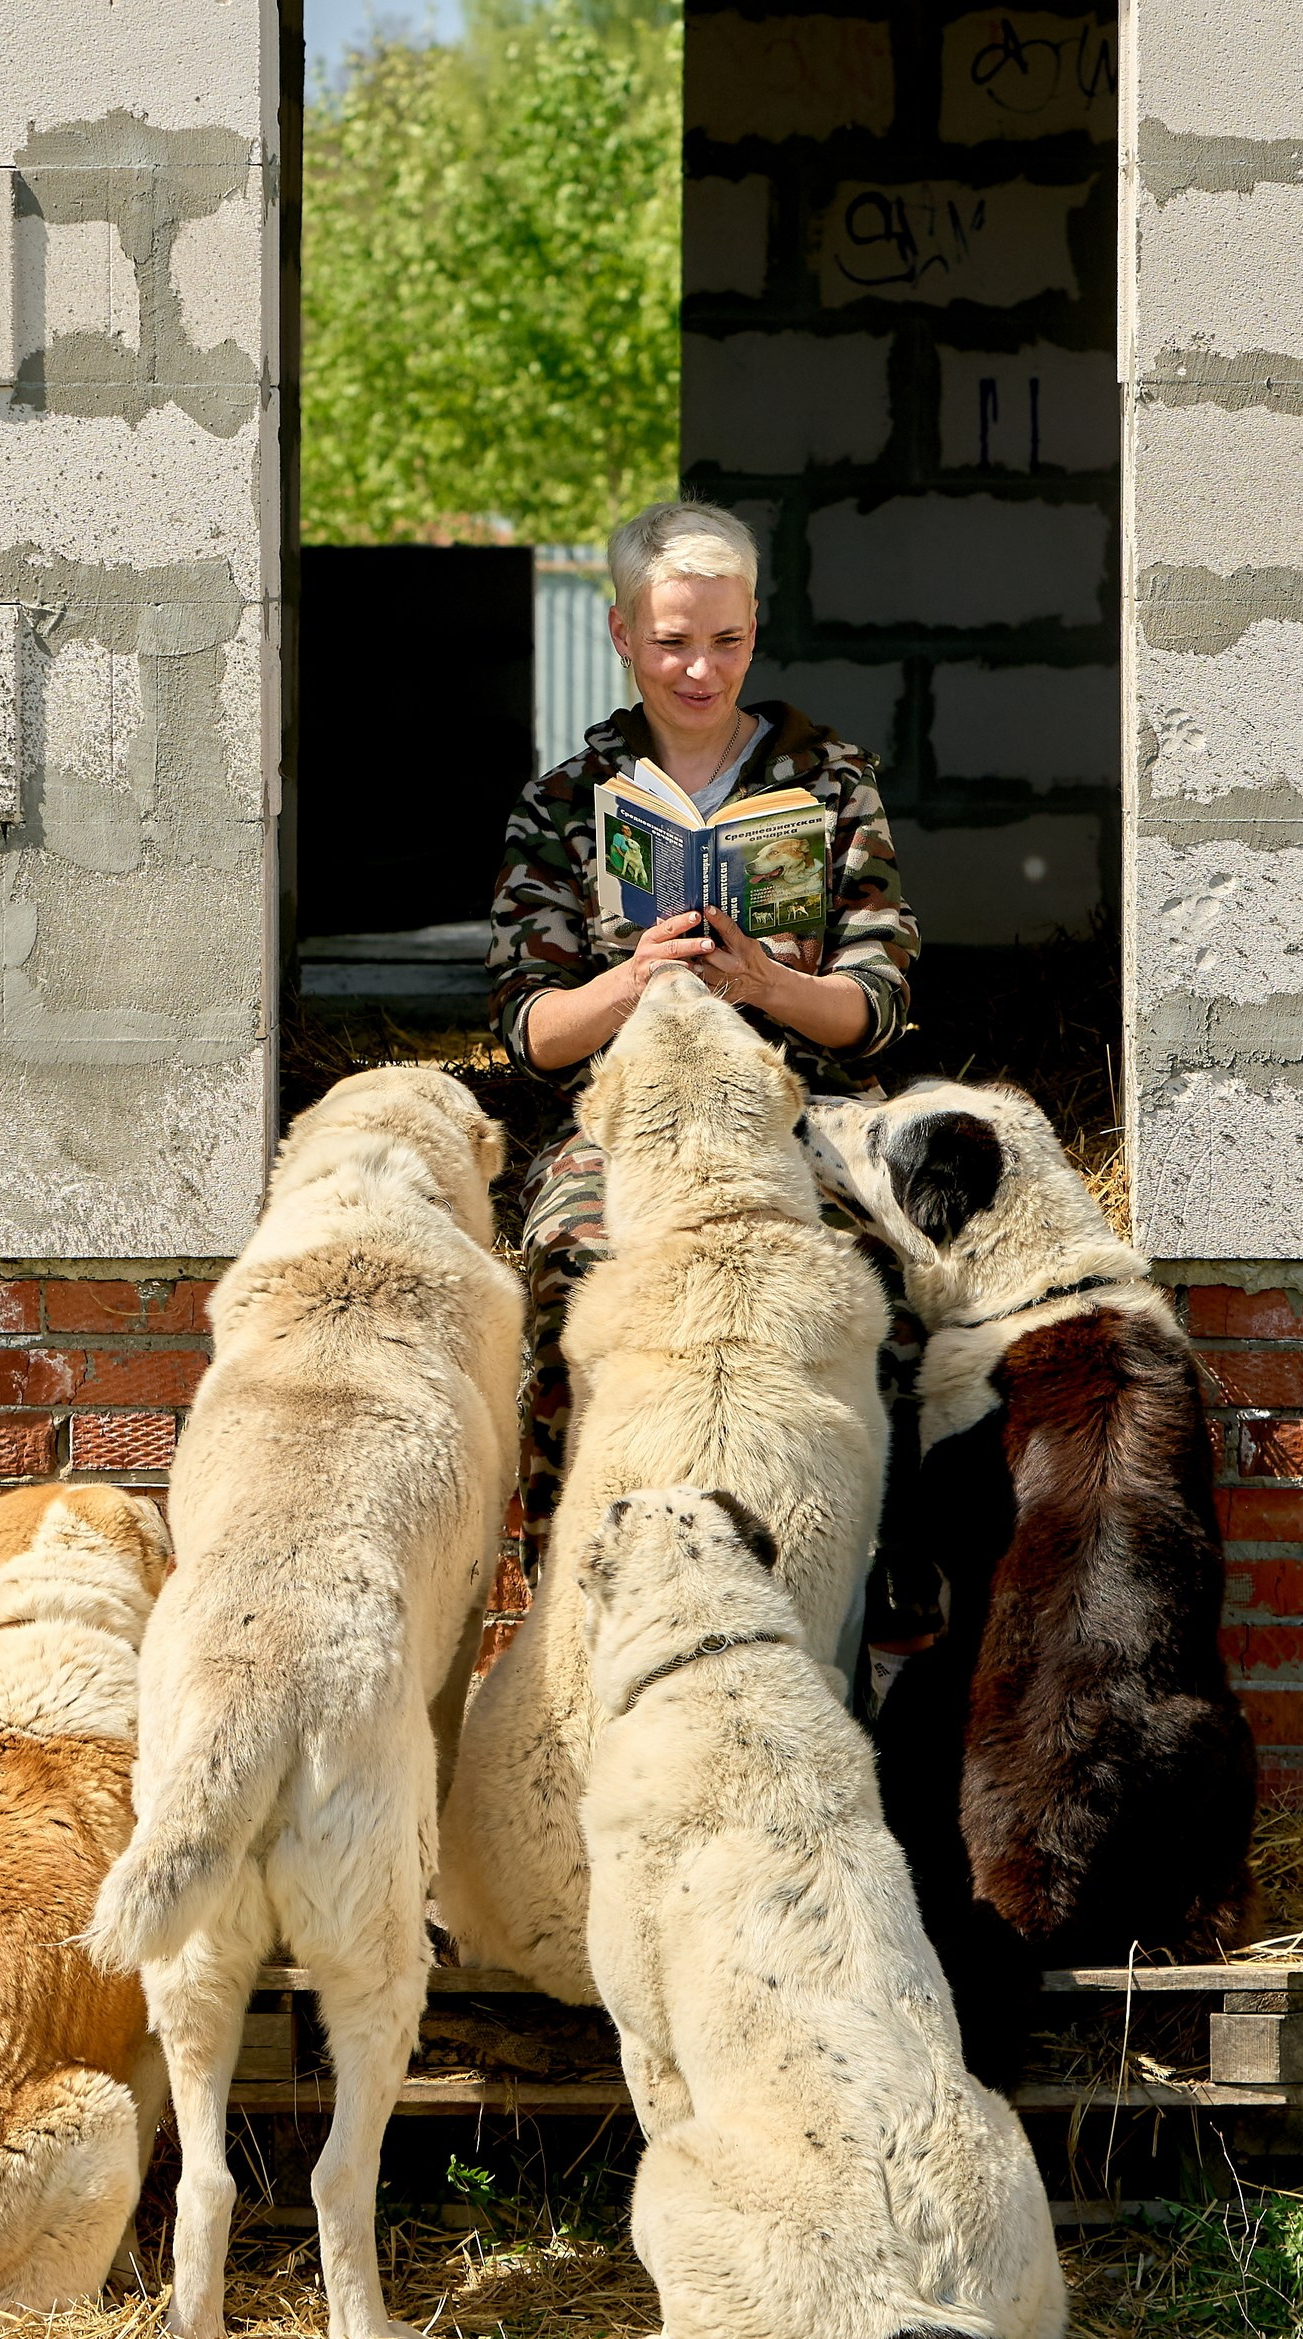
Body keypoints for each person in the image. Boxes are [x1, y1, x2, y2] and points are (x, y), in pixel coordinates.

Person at [488, 498, 921, 1573]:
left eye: (725, 641)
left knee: (871, 1265)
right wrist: (630, 983)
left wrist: (769, 983)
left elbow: (875, 1009)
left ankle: (885, 1601)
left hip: (801, 1111)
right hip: (626, 1122)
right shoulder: (564, 800)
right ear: (622, 634)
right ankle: (568, 1583)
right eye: (672, 642)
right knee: (568, 1260)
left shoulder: (830, 781)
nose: (698, 669)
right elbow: (528, 1030)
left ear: (755, 630)